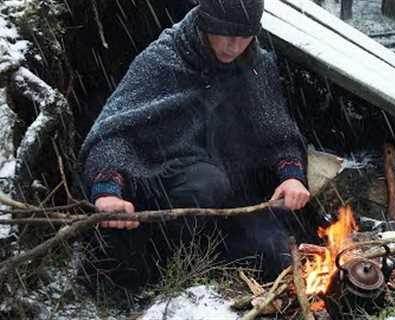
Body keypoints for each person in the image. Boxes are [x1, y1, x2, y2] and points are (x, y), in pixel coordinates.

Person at [78, 0, 310, 290]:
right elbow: (114, 131)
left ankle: (212, 258)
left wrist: (291, 176)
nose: (233, 45)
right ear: (205, 23)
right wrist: (107, 191)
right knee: (205, 184)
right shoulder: (163, 58)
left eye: (244, 35)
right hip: (161, 184)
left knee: (277, 257)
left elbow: (276, 129)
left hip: (232, 198)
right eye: (224, 32)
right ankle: (166, 266)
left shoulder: (256, 65)